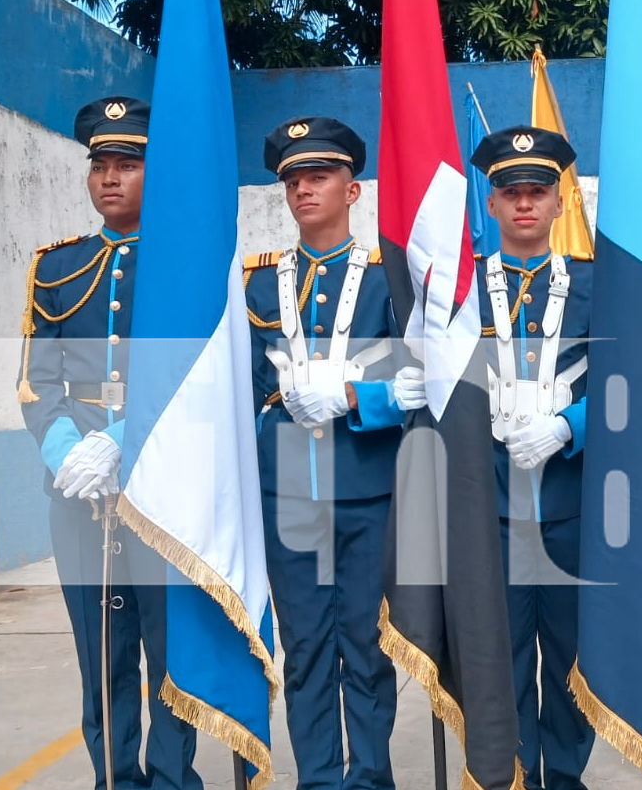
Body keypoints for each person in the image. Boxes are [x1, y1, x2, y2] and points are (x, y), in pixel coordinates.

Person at [17, 96, 202, 790]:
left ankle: (175, 779)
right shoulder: (56, 270)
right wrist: (69, 453)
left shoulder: (185, 268)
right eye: (101, 166)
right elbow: (38, 382)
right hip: (80, 497)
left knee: (170, 652)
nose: (111, 179)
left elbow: (196, 376)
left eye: (129, 164)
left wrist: (124, 440)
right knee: (102, 655)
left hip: (162, 489)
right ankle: (116, 779)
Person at [246, 117, 426, 790]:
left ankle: (370, 776)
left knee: (366, 645)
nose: (303, 190)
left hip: (367, 489)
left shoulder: (389, 279)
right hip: (287, 489)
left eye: (318, 176)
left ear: (353, 190)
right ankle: (320, 778)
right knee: (305, 649)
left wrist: (354, 395)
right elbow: (241, 392)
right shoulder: (259, 285)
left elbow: (420, 380)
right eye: (292, 180)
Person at [467, 127, 595, 790]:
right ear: (490, 204)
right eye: (509, 191)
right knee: (503, 661)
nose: (523, 203)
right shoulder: (459, 294)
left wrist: (569, 426)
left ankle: (565, 779)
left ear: (558, 203)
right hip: (491, 511)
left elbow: (626, 384)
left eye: (536, 191)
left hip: (570, 507)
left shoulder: (595, 286)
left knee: (573, 664)